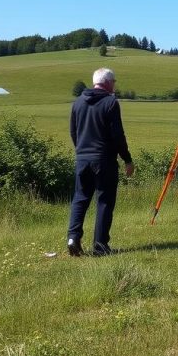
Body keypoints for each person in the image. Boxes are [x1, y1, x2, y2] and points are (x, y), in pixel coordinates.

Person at [65, 67, 134, 256]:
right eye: (114, 82)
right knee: (104, 201)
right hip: (104, 160)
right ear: (108, 82)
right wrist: (127, 159)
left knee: (80, 199)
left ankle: (73, 237)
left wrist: (80, 150)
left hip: (82, 158)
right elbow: (118, 135)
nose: (114, 85)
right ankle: (100, 245)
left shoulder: (78, 102)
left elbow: (73, 131)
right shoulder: (110, 102)